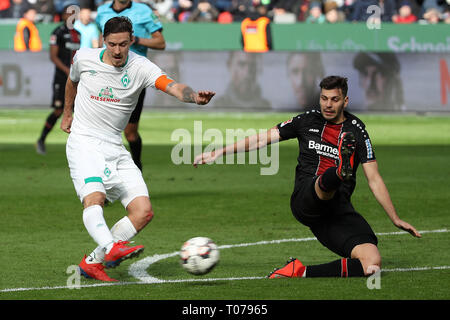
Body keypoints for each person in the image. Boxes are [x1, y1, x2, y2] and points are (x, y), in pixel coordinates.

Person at [194, 75, 420, 279]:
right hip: (307, 198)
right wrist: (218, 152)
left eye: (334, 99)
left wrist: (395, 218)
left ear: (345, 101)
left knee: (371, 263)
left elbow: (375, 179)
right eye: (324, 98)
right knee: (326, 180)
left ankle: (299, 272)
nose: (328, 105)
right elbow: (262, 139)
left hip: (336, 211)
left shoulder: (357, 130)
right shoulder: (306, 121)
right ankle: (339, 171)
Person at [60, 16, 215, 282]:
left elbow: (172, 86)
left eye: (123, 44)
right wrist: (67, 112)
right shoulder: (83, 58)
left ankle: (92, 263)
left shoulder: (141, 66)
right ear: (103, 41)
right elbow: (72, 81)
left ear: (132, 40)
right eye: (112, 44)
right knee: (94, 197)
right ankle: (111, 248)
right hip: (84, 141)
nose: (118, 51)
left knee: (143, 212)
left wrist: (193, 98)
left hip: (114, 146)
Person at [96, 0, 166, 171]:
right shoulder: (102, 11)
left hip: (133, 78)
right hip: (108, 77)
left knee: (130, 133)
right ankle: (105, 175)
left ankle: (137, 166)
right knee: (104, 130)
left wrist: (135, 40)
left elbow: (161, 43)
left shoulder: (143, 10)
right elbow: (101, 40)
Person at [35, 5, 80, 155]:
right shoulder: (58, 32)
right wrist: (68, 71)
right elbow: (53, 56)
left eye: (75, 14)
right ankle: (41, 139)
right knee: (59, 110)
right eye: (69, 14)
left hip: (76, 78)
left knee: (79, 111)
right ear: (63, 16)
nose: (72, 17)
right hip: (62, 78)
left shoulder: (78, 34)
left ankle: (79, 146)